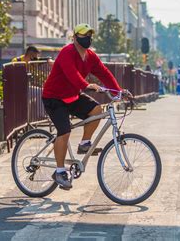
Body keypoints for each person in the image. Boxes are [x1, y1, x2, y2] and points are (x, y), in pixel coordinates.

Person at [42, 23, 127, 190]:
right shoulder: (67, 52)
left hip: (72, 96)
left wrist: (119, 91)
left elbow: (104, 73)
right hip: (54, 97)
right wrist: (87, 85)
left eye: (89, 35)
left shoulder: (90, 56)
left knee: (96, 109)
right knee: (64, 131)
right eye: (83, 35)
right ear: (74, 37)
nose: (87, 38)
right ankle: (59, 172)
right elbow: (72, 75)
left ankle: (84, 143)